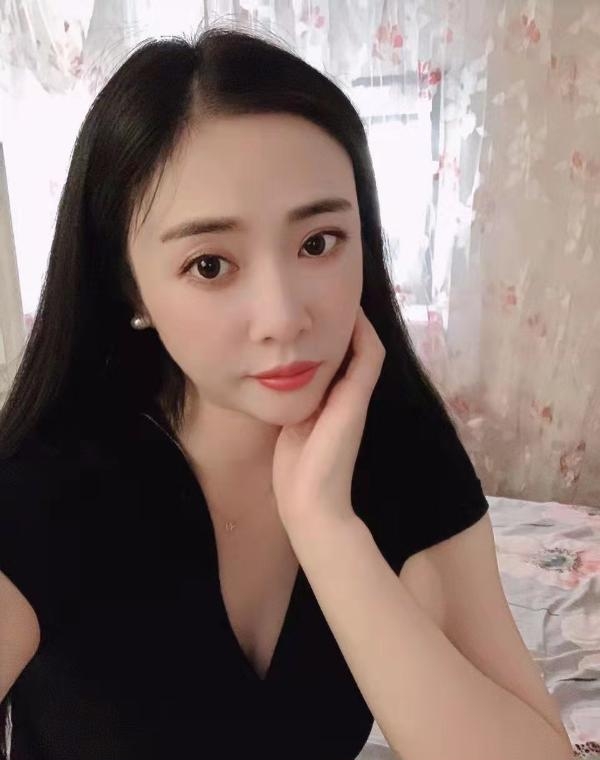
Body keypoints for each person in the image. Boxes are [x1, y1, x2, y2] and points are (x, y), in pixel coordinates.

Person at [0, 25, 492, 760]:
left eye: (318, 243)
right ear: (130, 288)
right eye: (210, 265)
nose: (285, 318)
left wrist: (327, 529)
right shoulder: (43, 486)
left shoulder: (402, 449)